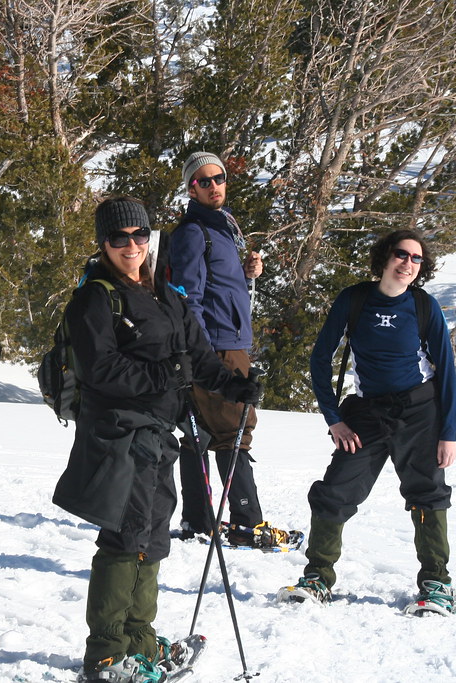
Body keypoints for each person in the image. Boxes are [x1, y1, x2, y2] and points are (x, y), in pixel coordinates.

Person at [52, 196, 262, 682]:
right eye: (119, 238)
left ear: (150, 238)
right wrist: (165, 373)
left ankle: (139, 640)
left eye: (139, 236)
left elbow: (200, 356)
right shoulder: (96, 297)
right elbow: (99, 368)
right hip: (119, 433)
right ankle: (105, 656)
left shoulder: (164, 294)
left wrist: (235, 385)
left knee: (152, 538)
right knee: (124, 539)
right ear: (103, 243)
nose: (131, 246)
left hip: (160, 435)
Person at [278, 230, 456, 615]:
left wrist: (447, 434)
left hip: (420, 411)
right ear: (384, 258)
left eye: (416, 259)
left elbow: (446, 372)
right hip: (368, 413)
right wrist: (333, 420)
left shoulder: (424, 306)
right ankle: (317, 578)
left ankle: (436, 584)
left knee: (427, 494)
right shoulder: (354, 299)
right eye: (401, 254)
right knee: (335, 490)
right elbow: (319, 359)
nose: (408, 263)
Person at [169, 151, 287, 547]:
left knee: (200, 432)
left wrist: (247, 270)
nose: (214, 185)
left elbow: (217, 281)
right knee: (234, 429)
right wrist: (201, 353)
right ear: (191, 188)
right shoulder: (194, 231)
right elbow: (189, 298)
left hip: (226, 340)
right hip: (218, 346)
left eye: (218, 177)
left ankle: (197, 519)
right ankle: (246, 523)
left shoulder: (221, 227)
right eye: (204, 181)